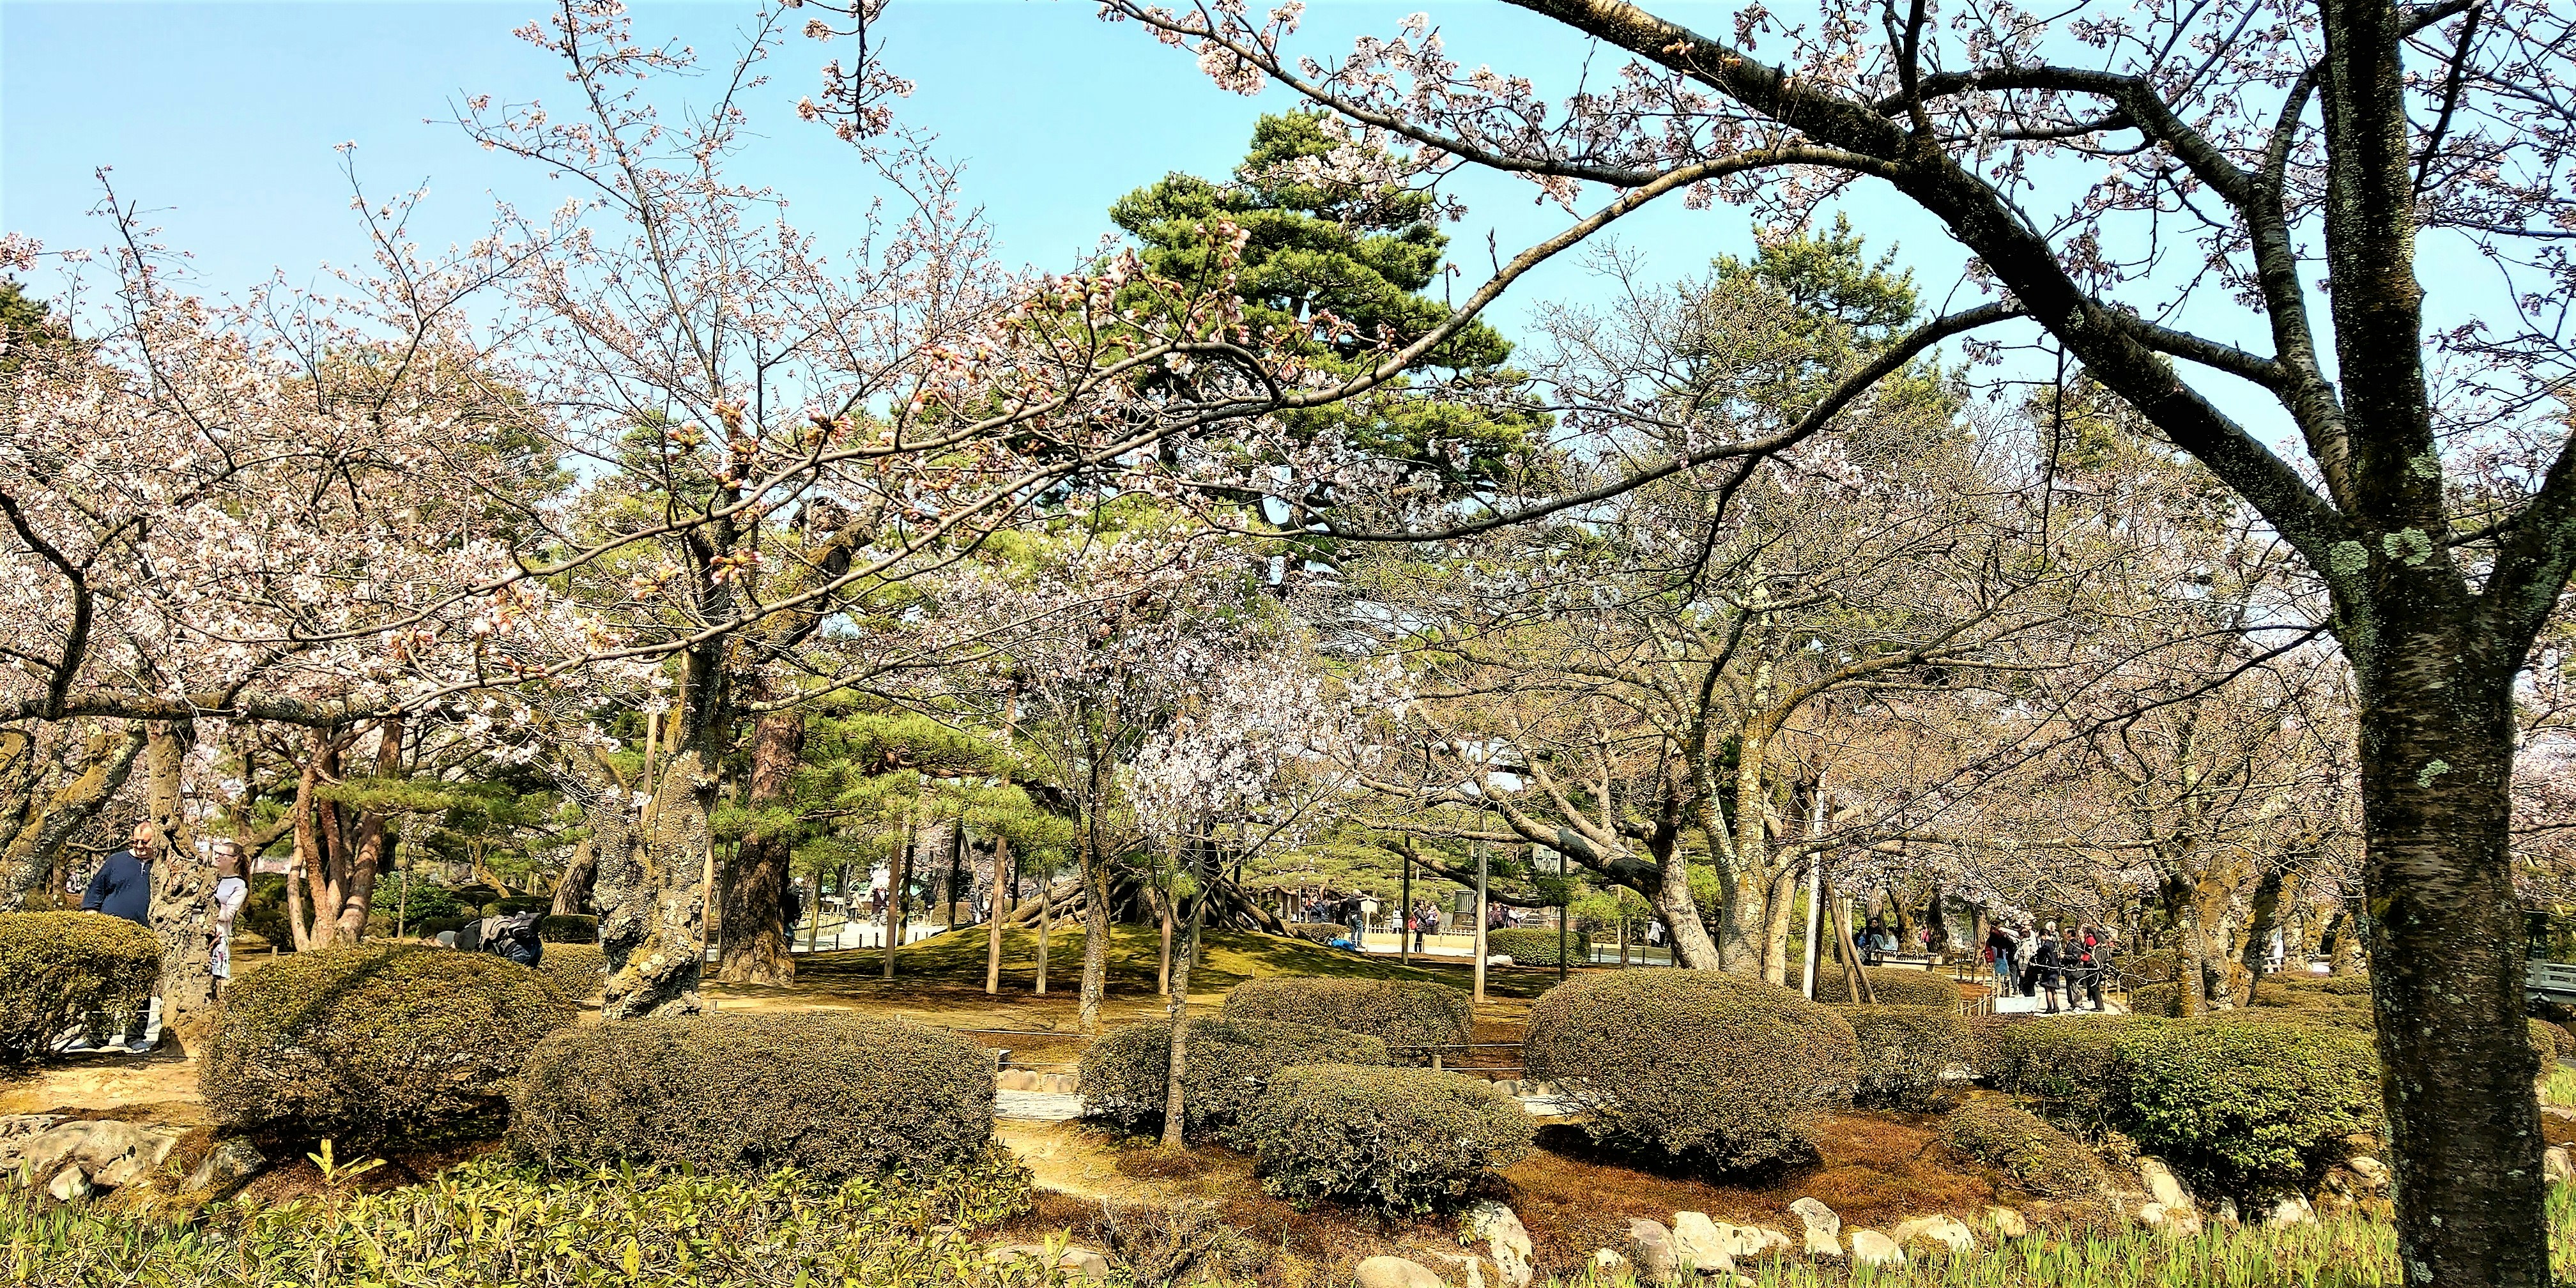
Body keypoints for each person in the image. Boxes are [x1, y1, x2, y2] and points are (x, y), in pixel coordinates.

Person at [76, 823, 162, 1052]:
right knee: (103, 984)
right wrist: (92, 916)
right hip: (110, 932)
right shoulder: (116, 861)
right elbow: (96, 890)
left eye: (145, 842)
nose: (140, 846)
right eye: (136, 841)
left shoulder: (162, 866)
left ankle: (134, 1037)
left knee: (140, 986)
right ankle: (97, 1036)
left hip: (144, 934)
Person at [206, 839, 249, 996]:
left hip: (217, 937)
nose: (217, 857)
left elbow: (228, 915)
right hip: (195, 933)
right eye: (216, 853)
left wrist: (208, 911)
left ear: (235, 859)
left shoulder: (239, 885)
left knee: (215, 982)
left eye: (222, 855)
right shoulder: (208, 877)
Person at [2030, 923, 2064, 1013]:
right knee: (2053, 989)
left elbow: (2041, 956)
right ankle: (2056, 1007)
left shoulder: (2046, 946)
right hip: (2055, 968)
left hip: (2049, 968)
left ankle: (2049, 1007)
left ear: (2044, 936)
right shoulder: (2054, 944)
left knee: (2048, 988)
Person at [1985, 922, 2019, 995]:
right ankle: (2002, 990)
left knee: (2001, 974)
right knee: (2001, 974)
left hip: (2002, 955)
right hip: (1999, 955)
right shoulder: (1995, 936)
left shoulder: (1998, 936)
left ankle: (2002, 989)